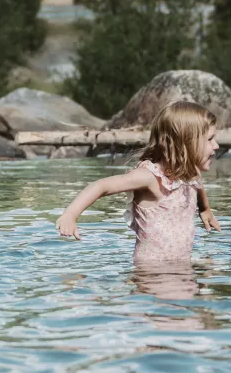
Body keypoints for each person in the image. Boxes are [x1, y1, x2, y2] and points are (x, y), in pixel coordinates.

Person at [56, 101, 221, 262]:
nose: (217, 146)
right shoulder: (150, 177)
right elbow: (101, 186)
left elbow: (197, 185)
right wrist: (71, 214)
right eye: (210, 139)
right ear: (185, 142)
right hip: (149, 275)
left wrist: (205, 209)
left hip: (182, 268)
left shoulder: (189, 173)